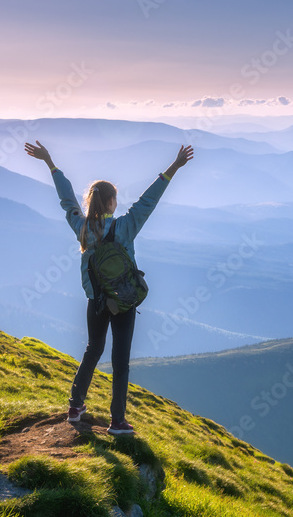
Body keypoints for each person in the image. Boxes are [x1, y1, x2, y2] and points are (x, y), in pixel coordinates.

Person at [25, 139, 193, 435]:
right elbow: (148, 201)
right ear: (112, 202)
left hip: (97, 301)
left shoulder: (83, 228)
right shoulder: (126, 226)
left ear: (92, 201)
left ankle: (75, 407)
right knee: (121, 361)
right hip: (125, 302)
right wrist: (174, 168)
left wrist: (50, 163)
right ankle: (117, 421)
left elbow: (67, 201)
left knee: (93, 350)